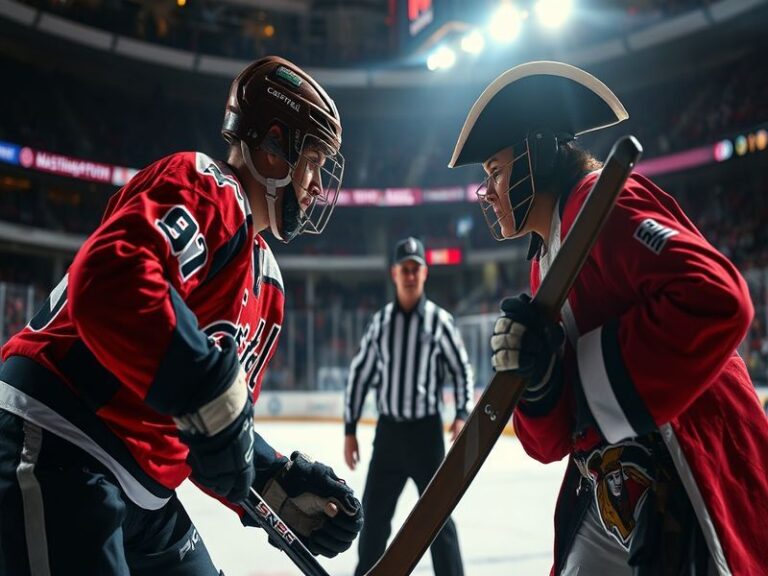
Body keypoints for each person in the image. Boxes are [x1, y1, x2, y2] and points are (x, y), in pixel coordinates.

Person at [0, 56, 363, 575]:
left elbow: (212, 429)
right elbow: (110, 279)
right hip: (59, 438)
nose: (317, 184)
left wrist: (270, 478)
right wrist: (204, 391)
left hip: (147, 496)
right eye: (313, 160)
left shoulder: (270, 288)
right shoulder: (206, 184)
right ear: (274, 145)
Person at [448, 61, 768, 575]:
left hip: (693, 471)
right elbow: (559, 438)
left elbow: (718, 298)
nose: (486, 191)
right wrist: (541, 385)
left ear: (539, 153)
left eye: (495, 171)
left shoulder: (602, 205)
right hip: (617, 491)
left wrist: (574, 379)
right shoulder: (545, 258)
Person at [344, 236, 472, 576]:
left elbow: (461, 369)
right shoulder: (381, 323)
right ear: (395, 273)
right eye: (405, 269)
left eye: (416, 269)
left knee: (439, 519)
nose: (411, 275)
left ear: (425, 273)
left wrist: (462, 414)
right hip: (389, 434)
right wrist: (350, 430)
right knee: (373, 519)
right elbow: (359, 374)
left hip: (426, 435)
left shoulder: (439, 321)